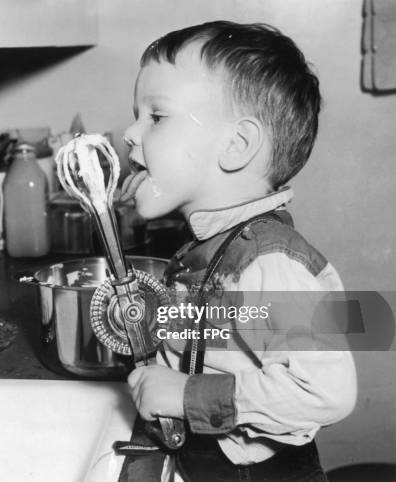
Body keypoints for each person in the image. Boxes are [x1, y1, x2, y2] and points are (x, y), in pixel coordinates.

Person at [118, 21, 357, 481]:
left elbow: (325, 392)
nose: (130, 132)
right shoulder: (209, 244)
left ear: (237, 145)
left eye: (156, 116)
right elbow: (217, 332)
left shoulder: (271, 261)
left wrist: (186, 395)